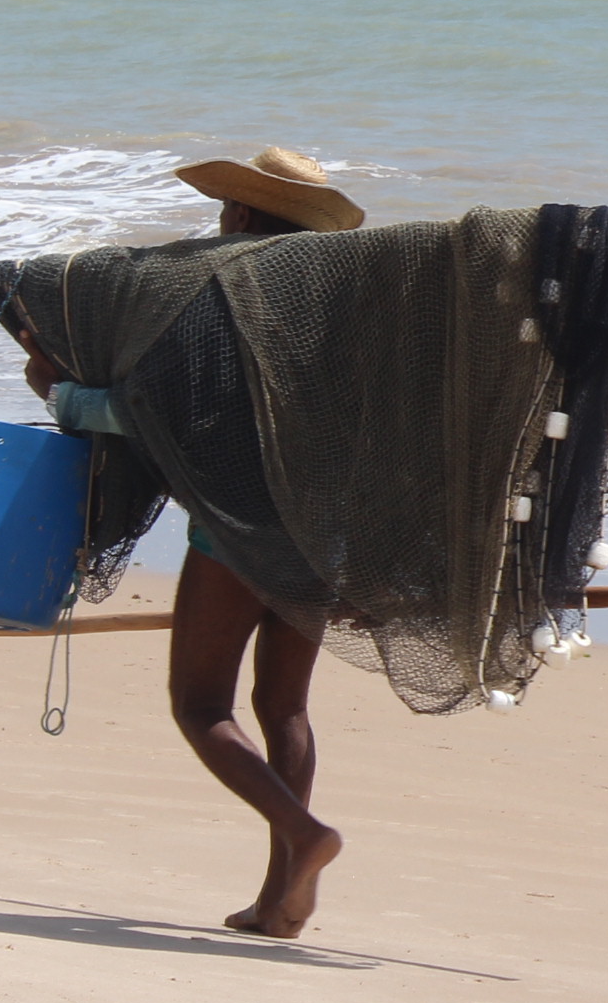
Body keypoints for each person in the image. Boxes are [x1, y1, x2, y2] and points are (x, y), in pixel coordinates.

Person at [21, 145, 368, 939]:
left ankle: (305, 836)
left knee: (200, 703)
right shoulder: (328, 312)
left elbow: (161, 418)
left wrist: (62, 394)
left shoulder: (211, 301)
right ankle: (282, 898)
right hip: (330, 524)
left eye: (224, 212)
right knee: (284, 705)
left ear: (240, 215)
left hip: (242, 526)